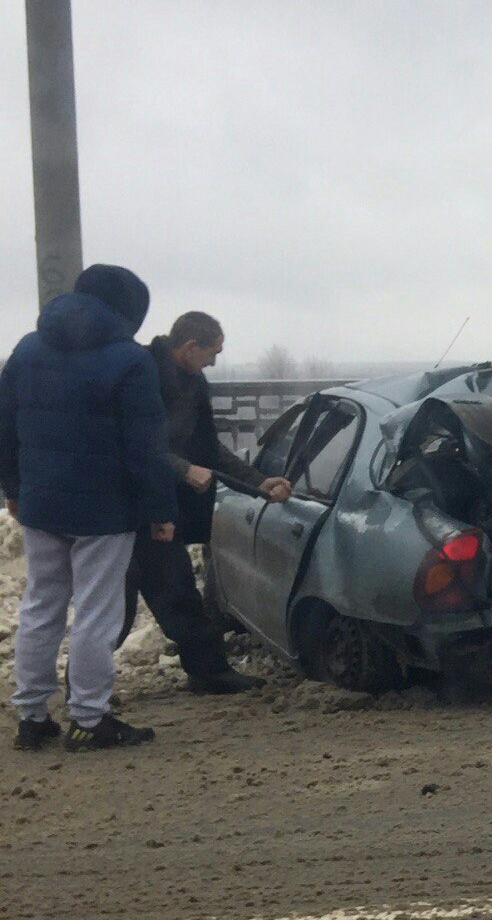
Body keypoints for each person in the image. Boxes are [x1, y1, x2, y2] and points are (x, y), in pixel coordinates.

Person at [0, 264, 177, 750]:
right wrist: (160, 510)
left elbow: (5, 426)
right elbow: (146, 446)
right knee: (97, 614)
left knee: (40, 607)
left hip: (41, 502)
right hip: (104, 510)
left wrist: (13, 487)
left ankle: (32, 718)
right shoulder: (129, 360)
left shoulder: (28, 348)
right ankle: (88, 718)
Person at [125, 311, 291, 695]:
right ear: (188, 347)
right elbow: (132, 442)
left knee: (179, 590)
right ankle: (85, 694)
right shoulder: (141, 375)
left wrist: (259, 482)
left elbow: (208, 448)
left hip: (164, 510)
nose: (214, 362)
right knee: (113, 607)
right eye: (211, 353)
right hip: (124, 510)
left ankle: (209, 671)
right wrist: (183, 470)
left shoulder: (194, 383)